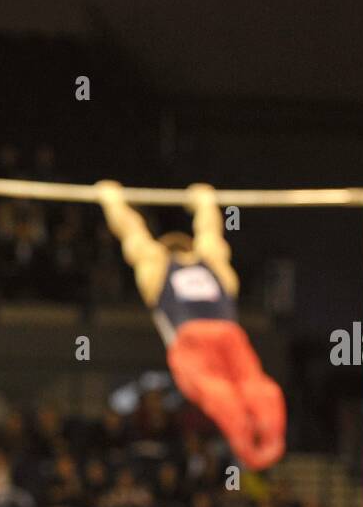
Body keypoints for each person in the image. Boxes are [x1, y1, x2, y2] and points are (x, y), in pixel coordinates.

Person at [94, 180, 286, 470]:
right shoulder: (213, 262)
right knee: (257, 387)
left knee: (217, 392)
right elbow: (209, 227)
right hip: (229, 334)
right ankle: (271, 441)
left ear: (164, 247)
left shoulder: (156, 264)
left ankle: (247, 445)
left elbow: (130, 230)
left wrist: (111, 200)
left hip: (190, 340)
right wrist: (204, 198)